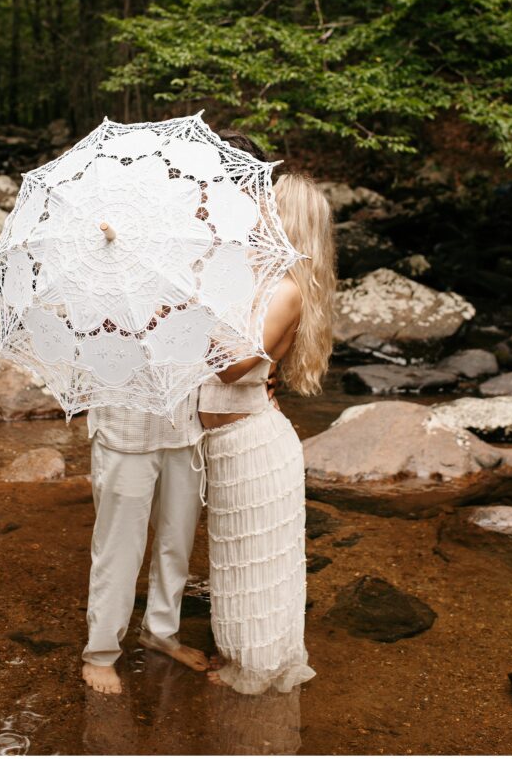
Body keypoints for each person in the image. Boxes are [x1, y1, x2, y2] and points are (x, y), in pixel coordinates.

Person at [81, 129, 269, 695]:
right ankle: (99, 651)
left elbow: (222, 333)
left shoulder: (217, 247)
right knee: (120, 540)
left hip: (188, 417)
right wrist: (144, 310)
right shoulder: (123, 236)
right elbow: (96, 329)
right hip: (128, 418)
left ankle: (160, 631)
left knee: (177, 539)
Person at [198, 172, 335, 694]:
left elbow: (232, 369)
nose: (253, 215)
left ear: (287, 220)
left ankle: (256, 673)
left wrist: (187, 319)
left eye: (266, 208)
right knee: (235, 563)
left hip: (255, 447)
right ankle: (240, 659)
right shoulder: (255, 280)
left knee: (257, 568)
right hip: (231, 446)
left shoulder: (286, 291)